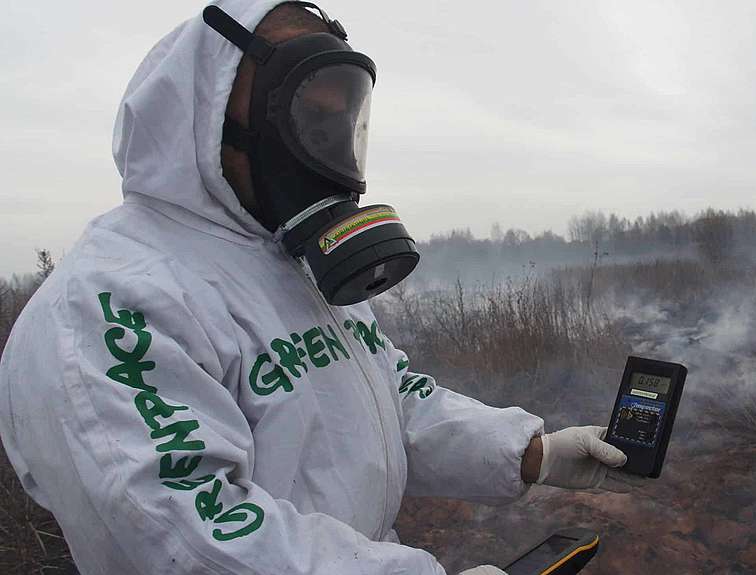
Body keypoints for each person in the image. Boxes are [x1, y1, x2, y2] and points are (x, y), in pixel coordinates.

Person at [0, 2, 633, 573]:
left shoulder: (289, 264)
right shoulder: (108, 302)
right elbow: (190, 539)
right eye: (306, 117)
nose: (326, 149)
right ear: (203, 111)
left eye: (342, 123)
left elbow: (394, 399)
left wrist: (533, 454)